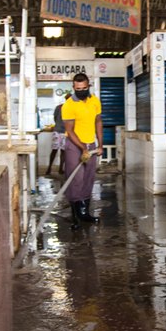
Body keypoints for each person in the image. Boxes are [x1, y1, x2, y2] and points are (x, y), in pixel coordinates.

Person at [62, 73, 103, 230]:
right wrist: (83, 148)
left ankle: (84, 213)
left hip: (91, 144)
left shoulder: (94, 101)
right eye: (78, 88)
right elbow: (70, 131)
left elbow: (98, 122)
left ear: (89, 86)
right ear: (73, 88)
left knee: (88, 178)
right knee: (76, 179)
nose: (81, 90)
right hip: (75, 145)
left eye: (84, 88)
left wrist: (100, 144)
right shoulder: (69, 105)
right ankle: (75, 217)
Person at [46, 91, 71, 175]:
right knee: (62, 151)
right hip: (64, 132)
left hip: (59, 131)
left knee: (55, 150)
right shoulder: (69, 108)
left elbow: (55, 118)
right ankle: (59, 169)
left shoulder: (59, 107)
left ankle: (50, 168)